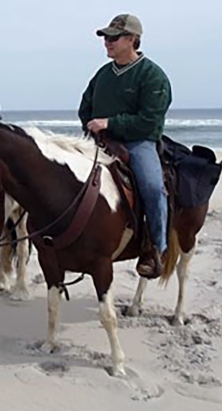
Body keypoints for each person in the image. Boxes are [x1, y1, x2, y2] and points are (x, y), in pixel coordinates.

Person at [78, 13, 172, 279]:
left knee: (153, 188)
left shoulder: (153, 76)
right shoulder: (102, 75)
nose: (107, 42)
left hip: (139, 142)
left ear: (132, 39)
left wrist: (109, 124)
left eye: (113, 37)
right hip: (100, 142)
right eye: (105, 37)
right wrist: (93, 129)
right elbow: (85, 109)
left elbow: (149, 120)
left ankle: (156, 247)